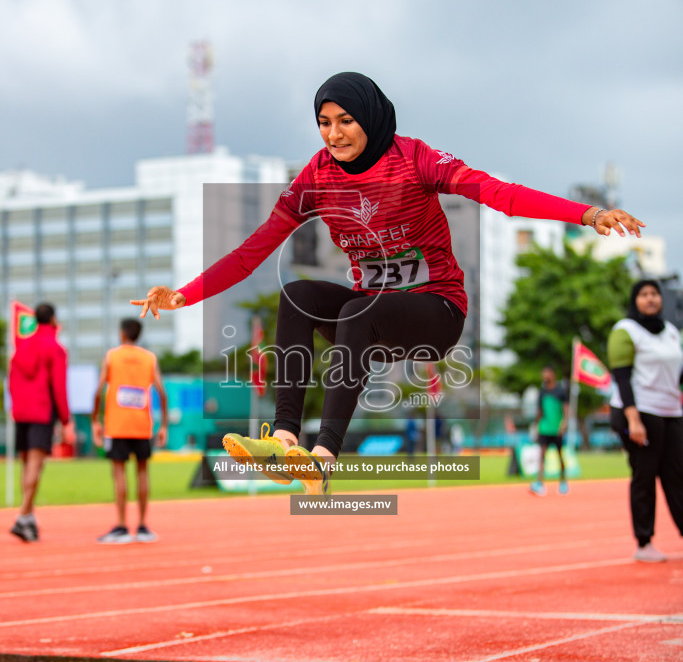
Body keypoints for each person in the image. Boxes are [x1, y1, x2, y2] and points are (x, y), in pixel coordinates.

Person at [132, 71, 645, 495]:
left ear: (371, 119)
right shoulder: (316, 177)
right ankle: (286, 440)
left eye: (346, 122)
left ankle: (323, 456)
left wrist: (587, 213)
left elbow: (499, 194)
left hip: (435, 314)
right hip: (371, 318)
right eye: (323, 124)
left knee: (360, 308)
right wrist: (184, 293)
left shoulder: (415, 159)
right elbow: (253, 252)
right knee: (301, 295)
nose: (333, 135)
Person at [608, 279, 683, 562]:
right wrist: (633, 419)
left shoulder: (672, 333)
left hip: (671, 411)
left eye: (655, 294)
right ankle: (644, 542)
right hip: (639, 412)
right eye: (644, 294)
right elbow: (622, 377)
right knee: (645, 475)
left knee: (678, 475)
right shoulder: (625, 330)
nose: (650, 299)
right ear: (634, 300)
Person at [91, 318, 168, 544]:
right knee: (143, 473)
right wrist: (163, 425)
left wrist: (95, 420)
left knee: (119, 474)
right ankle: (143, 526)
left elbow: (98, 390)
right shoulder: (149, 358)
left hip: (117, 424)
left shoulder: (112, 356)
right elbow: (162, 393)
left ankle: (122, 526)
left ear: (122, 334)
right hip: (142, 424)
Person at [8, 303, 75, 542]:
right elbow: (59, 386)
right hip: (41, 411)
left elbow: (12, 380)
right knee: (36, 466)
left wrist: (15, 406)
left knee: (26, 465)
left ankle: (28, 519)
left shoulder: (21, 345)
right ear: (53, 319)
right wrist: (66, 419)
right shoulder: (55, 348)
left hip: (21, 412)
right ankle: (22, 515)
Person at [530, 366, 570, 496]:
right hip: (544, 428)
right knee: (542, 455)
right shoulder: (542, 392)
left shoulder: (561, 392)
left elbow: (566, 409)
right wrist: (535, 426)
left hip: (557, 429)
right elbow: (539, 411)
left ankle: (563, 482)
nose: (545, 375)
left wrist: (564, 423)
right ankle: (539, 483)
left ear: (553, 375)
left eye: (547, 373)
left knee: (560, 455)